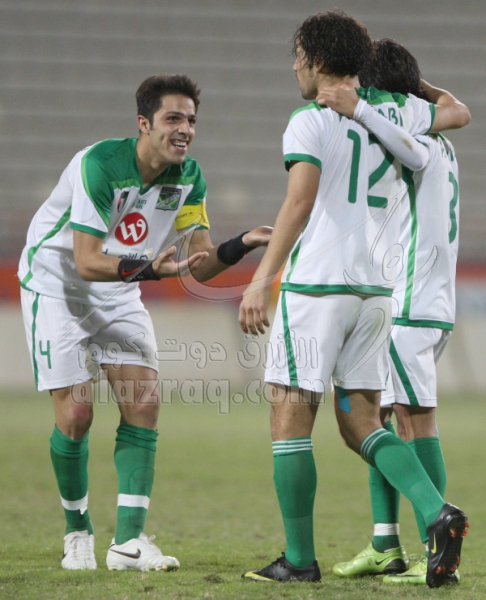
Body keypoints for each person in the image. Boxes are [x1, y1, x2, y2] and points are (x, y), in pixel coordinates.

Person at [238, 10, 469, 588]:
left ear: (317, 61)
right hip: (376, 292)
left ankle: (299, 560)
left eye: (298, 57)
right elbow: (453, 114)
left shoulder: (309, 120)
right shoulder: (403, 112)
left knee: (289, 420)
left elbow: (299, 202)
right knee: (363, 422)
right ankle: (435, 511)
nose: (294, 67)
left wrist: (261, 278)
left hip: (318, 285)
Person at [18, 74, 271, 571]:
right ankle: (77, 533)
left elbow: (200, 263)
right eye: (173, 118)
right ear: (144, 123)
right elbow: (87, 260)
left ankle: (128, 542)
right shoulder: (99, 164)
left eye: (191, 120)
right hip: (57, 285)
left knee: (145, 402)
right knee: (76, 415)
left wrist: (243, 243)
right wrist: (152, 269)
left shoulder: (188, 177)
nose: (185, 130)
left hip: (119, 287)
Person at [331, 39, 465, 586]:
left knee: (413, 422)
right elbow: (453, 106)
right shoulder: (438, 133)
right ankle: (385, 543)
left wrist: (362, 106)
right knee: (381, 415)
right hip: (432, 299)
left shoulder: (404, 130)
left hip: (408, 300)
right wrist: (420, 87)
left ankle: (438, 549)